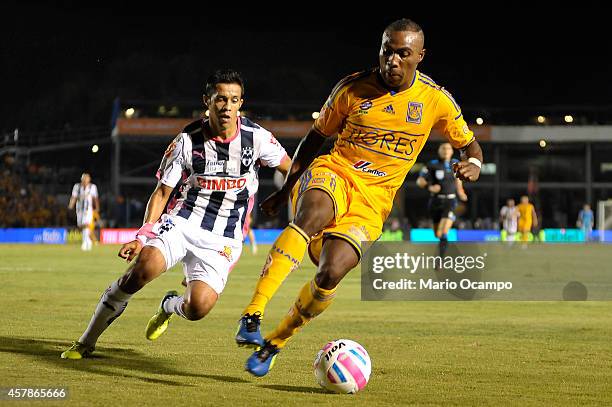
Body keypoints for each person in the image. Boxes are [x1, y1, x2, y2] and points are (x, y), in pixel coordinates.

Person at [236, 18, 483, 376]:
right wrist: (287, 188)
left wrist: (473, 162)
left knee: (331, 272)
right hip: (335, 172)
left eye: (403, 54)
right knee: (311, 215)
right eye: (387, 51)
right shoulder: (352, 89)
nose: (392, 61)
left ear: (420, 56)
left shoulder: (435, 100)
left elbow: (469, 144)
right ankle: (252, 314)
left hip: (373, 203)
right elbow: (315, 138)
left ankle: (275, 342)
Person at [61, 69, 291, 359]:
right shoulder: (186, 141)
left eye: (234, 100)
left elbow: (290, 168)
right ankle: (86, 341)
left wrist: (283, 195)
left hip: (223, 238)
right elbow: (161, 193)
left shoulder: (257, 139)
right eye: (220, 99)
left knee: (198, 308)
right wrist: (143, 237)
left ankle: (169, 305)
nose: (227, 107)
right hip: (183, 222)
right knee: (142, 270)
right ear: (207, 101)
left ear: (241, 103)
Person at [416, 142, 468, 254]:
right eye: (443, 148)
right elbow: (419, 181)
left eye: (448, 148)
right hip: (435, 201)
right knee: (437, 234)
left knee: (444, 231)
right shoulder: (432, 165)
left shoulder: (455, 163)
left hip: (450, 201)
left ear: (452, 151)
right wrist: (429, 187)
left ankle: (440, 259)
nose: (446, 150)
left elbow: (458, 180)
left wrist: (461, 192)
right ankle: (441, 244)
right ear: (439, 151)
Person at [68, 173, 99, 251]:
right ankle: (88, 240)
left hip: (88, 209)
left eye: (86, 179)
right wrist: (70, 205)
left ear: (89, 180)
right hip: (79, 209)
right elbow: (73, 197)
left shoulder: (92, 187)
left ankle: (84, 242)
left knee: (86, 224)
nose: (85, 180)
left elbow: (95, 198)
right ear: (82, 179)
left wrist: (97, 208)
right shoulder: (77, 187)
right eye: (84, 179)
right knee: (80, 225)